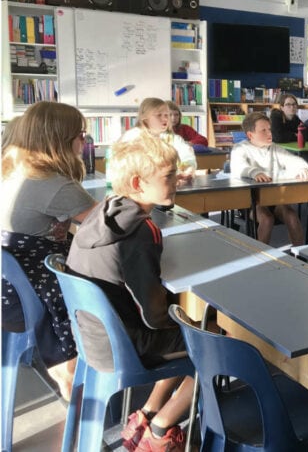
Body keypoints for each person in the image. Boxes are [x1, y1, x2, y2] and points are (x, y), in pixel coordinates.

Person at [66, 134, 195, 452]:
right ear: (138, 183)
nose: (177, 178)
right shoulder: (139, 232)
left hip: (91, 337)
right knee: (217, 343)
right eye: (168, 175)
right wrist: (185, 324)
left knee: (188, 331)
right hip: (122, 345)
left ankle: (147, 413)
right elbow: (153, 315)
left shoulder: (102, 213)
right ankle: (162, 428)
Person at [1, 101, 97, 400]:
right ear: (61, 138)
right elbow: (104, 225)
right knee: (110, 283)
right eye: (81, 133)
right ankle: (74, 372)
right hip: (29, 298)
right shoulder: (54, 184)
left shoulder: (13, 171)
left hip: (8, 291)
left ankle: (63, 370)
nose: (85, 140)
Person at [231, 112, 308, 246]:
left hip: (274, 197)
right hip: (251, 201)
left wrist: (302, 168)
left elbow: (293, 160)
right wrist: (254, 172)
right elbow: (239, 167)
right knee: (267, 219)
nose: (269, 133)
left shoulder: (274, 148)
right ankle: (260, 256)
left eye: (269, 129)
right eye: (263, 130)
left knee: (291, 216)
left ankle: (300, 254)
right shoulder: (240, 149)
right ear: (250, 135)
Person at [114, 98, 197, 185]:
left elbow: (187, 156)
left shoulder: (173, 138)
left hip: (166, 186)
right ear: (145, 118)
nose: (164, 119)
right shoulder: (132, 137)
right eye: (159, 115)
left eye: (166, 115)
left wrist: (189, 170)